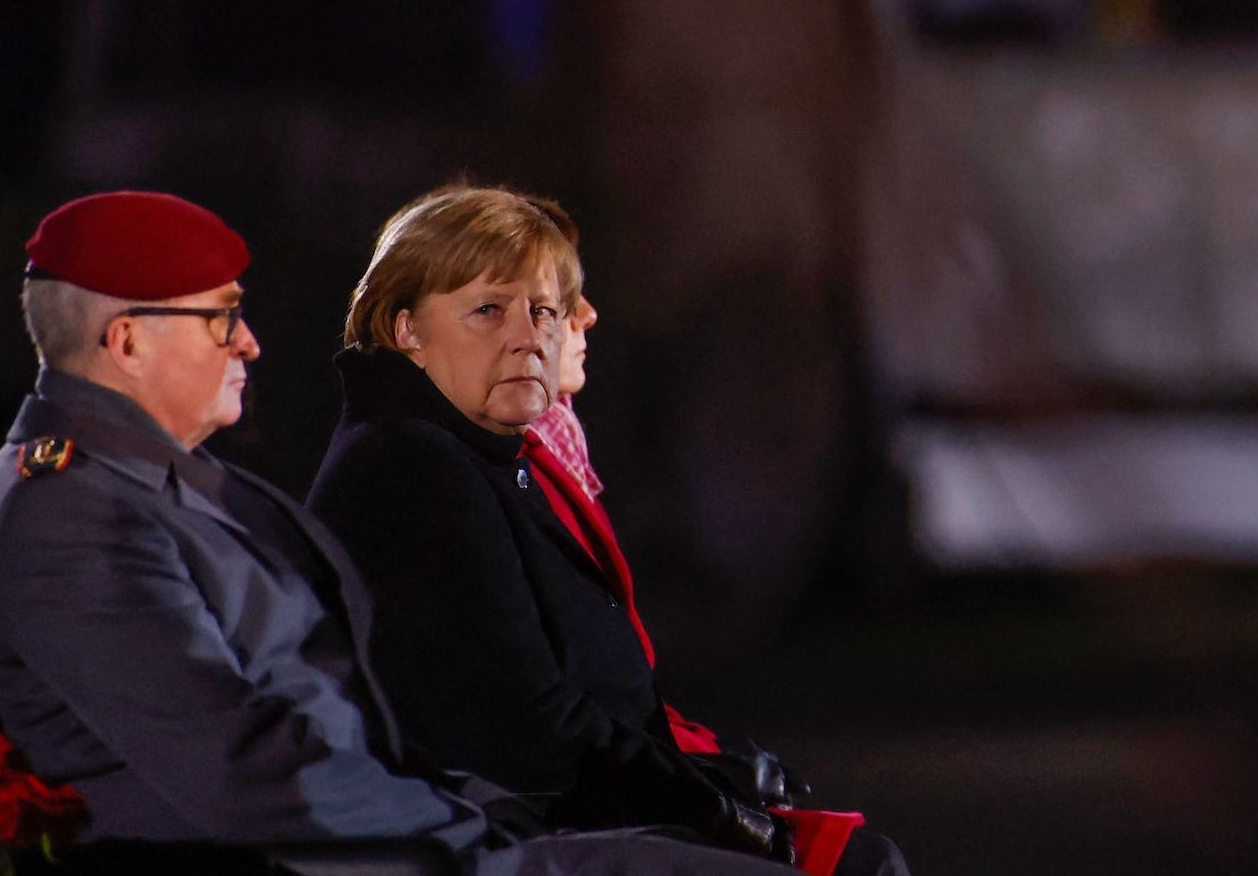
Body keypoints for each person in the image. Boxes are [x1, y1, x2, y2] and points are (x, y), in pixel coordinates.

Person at [0, 189, 801, 875]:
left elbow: (342, 714)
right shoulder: (68, 514)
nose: (249, 342)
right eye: (219, 319)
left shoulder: (175, 486)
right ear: (127, 340)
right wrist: (465, 827)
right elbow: (243, 764)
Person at [306, 186, 904, 876]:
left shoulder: (470, 453)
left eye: (540, 310)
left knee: (859, 857)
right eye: (488, 310)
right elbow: (529, 726)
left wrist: (711, 779)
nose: (529, 336)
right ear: (405, 329)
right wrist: (716, 808)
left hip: (533, 811)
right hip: (486, 831)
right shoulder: (410, 466)